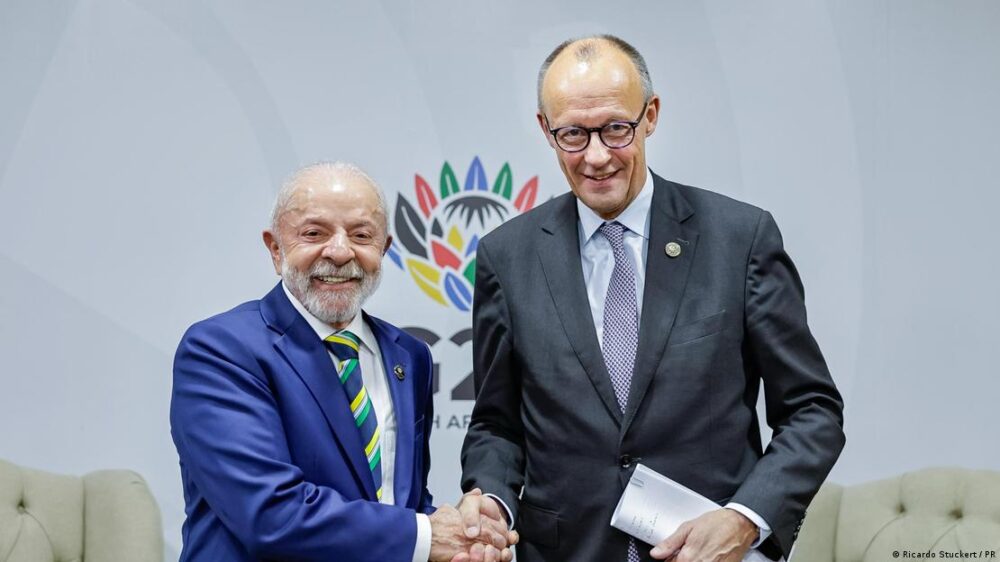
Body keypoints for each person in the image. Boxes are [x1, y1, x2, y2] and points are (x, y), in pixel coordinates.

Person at [458, 35, 846, 561]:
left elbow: (812, 410)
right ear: (545, 131)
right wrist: (492, 501)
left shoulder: (739, 237)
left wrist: (746, 519)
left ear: (651, 115)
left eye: (616, 128)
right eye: (572, 134)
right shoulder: (508, 256)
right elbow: (496, 425)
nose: (596, 157)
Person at [171, 162, 515, 562]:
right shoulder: (221, 350)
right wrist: (429, 535)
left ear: (383, 249)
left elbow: (397, 502)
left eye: (361, 235)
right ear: (275, 247)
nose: (339, 252)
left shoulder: (409, 355)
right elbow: (270, 514)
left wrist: (469, 534)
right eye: (314, 233)